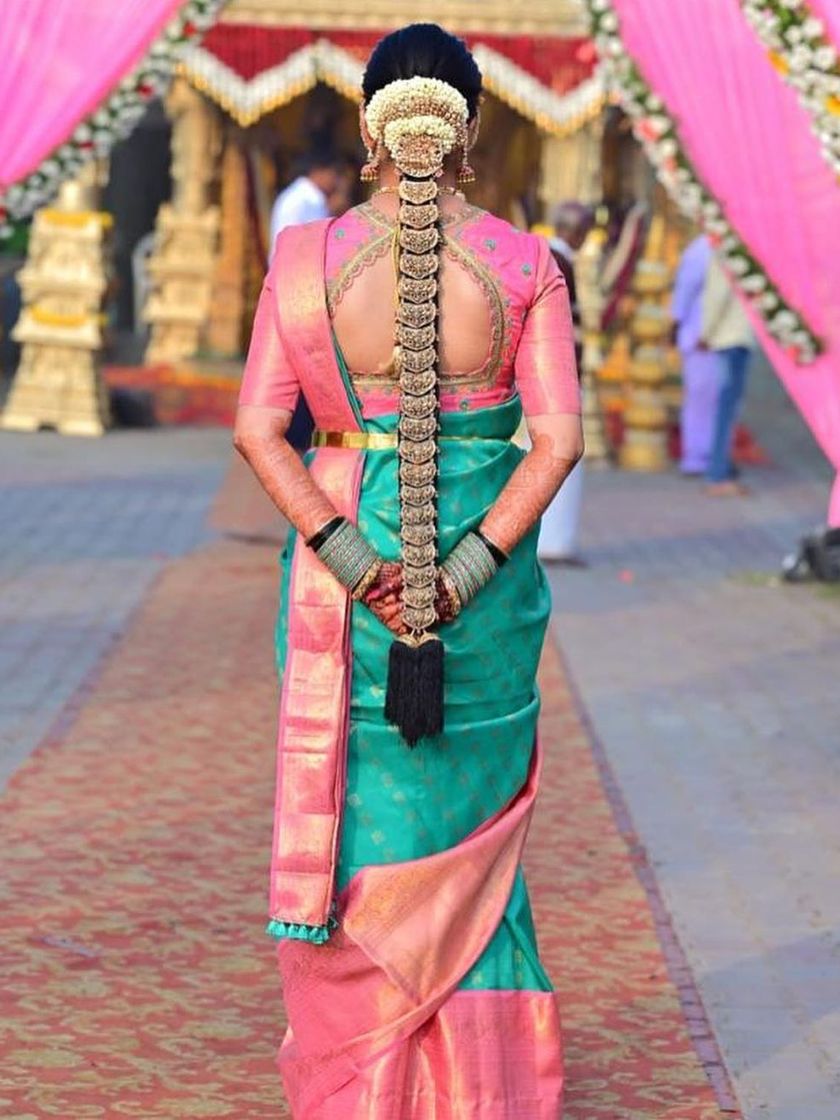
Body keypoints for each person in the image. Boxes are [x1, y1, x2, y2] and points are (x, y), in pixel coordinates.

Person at [234, 23, 582, 1118]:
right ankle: (483, 1088)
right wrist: (465, 571)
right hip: (482, 600)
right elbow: (559, 442)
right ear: (467, 126)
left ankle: (360, 1086)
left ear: (373, 124)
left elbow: (258, 431)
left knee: (360, 826)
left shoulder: (307, 262)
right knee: (472, 848)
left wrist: (352, 558)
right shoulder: (526, 266)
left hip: (346, 594)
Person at [269, 152, 348, 451]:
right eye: (335, 175)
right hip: (302, 292)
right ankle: (296, 433)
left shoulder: (301, 198)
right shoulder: (303, 201)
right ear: (321, 171)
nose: (336, 182)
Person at [538, 201, 593, 565]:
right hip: (559, 378)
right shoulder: (560, 262)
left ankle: (554, 540)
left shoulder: (548, 257)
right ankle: (554, 543)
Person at [701, 250, 755, 495]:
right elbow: (717, 297)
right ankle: (717, 474)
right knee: (725, 410)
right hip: (729, 338)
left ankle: (721, 468)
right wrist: (707, 333)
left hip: (735, 338)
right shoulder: (727, 251)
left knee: (729, 409)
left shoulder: (734, 249)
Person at [671, 234, 720, 475]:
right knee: (700, 399)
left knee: (713, 400)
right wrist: (678, 321)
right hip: (699, 335)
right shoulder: (701, 249)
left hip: (717, 336)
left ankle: (711, 455)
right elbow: (686, 290)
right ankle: (695, 456)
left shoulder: (720, 246)